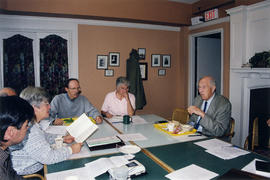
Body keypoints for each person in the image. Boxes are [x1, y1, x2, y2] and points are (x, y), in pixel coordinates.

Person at [10, 87, 82, 175]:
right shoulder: (29, 130)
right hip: (31, 174)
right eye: (46, 103)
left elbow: (43, 137)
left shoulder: (31, 123)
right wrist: (71, 150)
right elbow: (48, 157)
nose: (50, 106)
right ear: (34, 108)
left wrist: (62, 138)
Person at [0, 96, 34, 180]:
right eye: (26, 126)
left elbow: (14, 176)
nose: (28, 128)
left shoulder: (4, 149)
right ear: (10, 132)